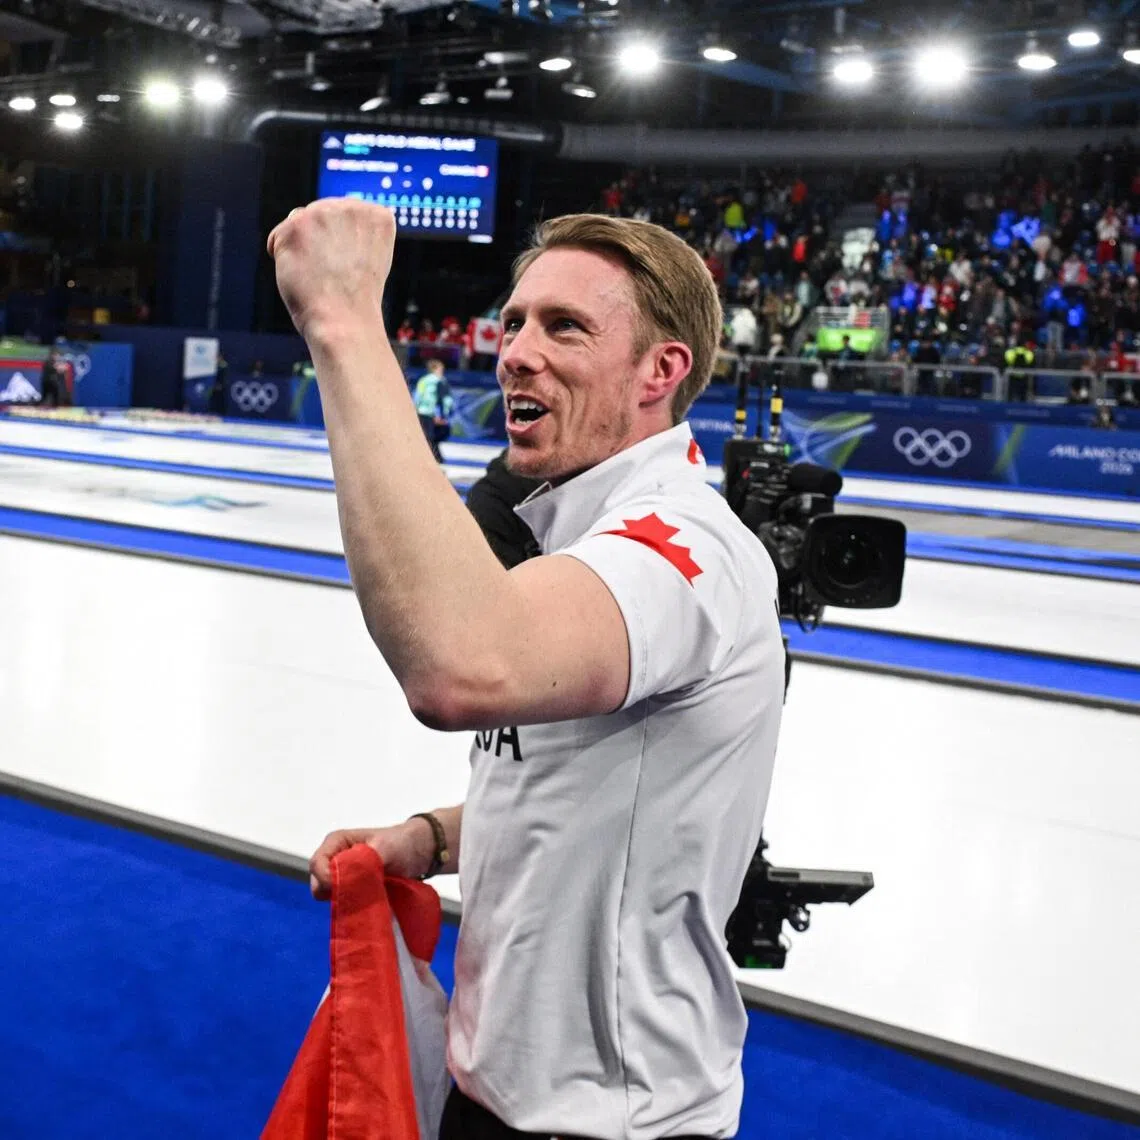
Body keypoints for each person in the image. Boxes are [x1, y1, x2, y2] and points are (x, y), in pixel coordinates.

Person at [268, 205, 786, 1140]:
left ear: (660, 371)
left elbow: (461, 668)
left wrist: (344, 322)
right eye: (513, 323)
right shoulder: (582, 537)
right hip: (493, 1089)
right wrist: (430, 838)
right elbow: (597, 787)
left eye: (565, 326)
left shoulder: (684, 546)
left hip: (609, 1125)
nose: (515, 351)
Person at [413, 358, 455, 463]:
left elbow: (417, 396)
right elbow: (446, 400)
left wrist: (414, 410)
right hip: (431, 413)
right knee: (431, 436)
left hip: (421, 412)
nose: (442, 372)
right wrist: (444, 414)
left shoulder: (423, 380)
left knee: (427, 436)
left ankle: (432, 456)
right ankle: (434, 457)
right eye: (441, 370)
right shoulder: (441, 381)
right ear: (435, 369)